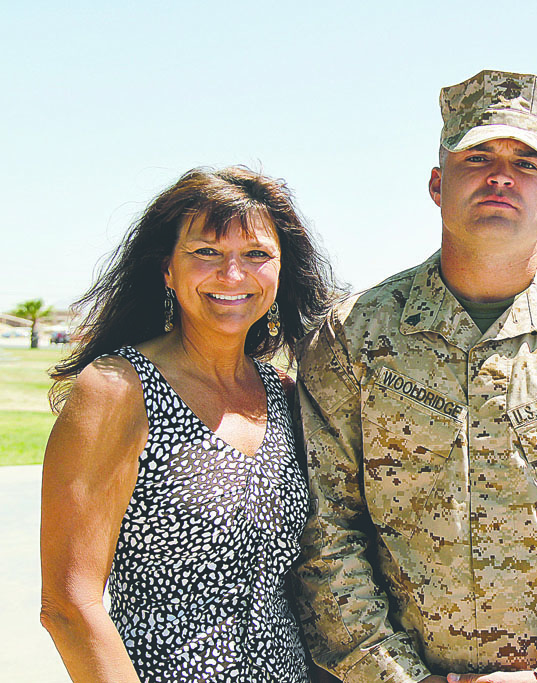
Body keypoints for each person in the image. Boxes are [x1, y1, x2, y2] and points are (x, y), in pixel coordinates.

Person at [294, 69, 537, 683]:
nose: (501, 175)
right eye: (478, 156)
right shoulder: (352, 338)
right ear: (436, 184)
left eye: (527, 163)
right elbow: (322, 526)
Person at [40, 166, 336, 682]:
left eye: (257, 255)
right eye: (206, 253)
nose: (232, 275)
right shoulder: (116, 391)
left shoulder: (287, 395)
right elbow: (69, 605)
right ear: (166, 270)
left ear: (282, 271)